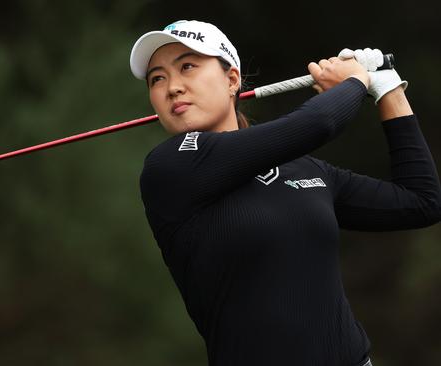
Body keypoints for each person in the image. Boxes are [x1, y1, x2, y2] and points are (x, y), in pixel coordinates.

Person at [130, 20, 441, 366]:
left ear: (232, 79)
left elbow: (421, 201)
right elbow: (317, 123)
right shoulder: (169, 168)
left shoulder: (303, 170)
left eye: (187, 66)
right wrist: (355, 80)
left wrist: (389, 91)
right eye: (157, 78)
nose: (172, 87)